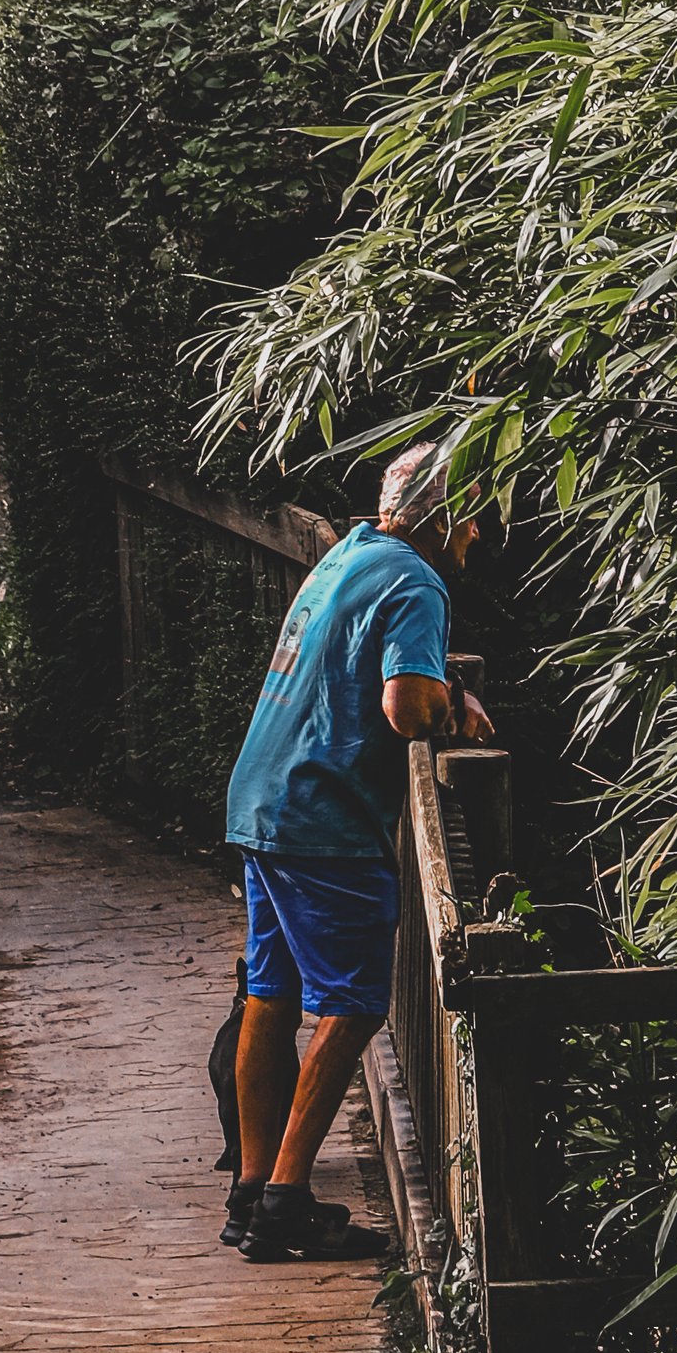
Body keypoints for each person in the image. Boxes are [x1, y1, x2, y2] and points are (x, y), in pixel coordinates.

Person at [222, 437, 492, 1264]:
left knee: (273, 992)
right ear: (443, 520)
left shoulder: (351, 554)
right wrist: (452, 709)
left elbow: (365, 655)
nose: (477, 534)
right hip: (324, 819)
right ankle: (285, 1202)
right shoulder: (418, 579)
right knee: (353, 1005)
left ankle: (251, 1189)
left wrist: (442, 677)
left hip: (264, 798)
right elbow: (406, 709)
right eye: (472, 517)